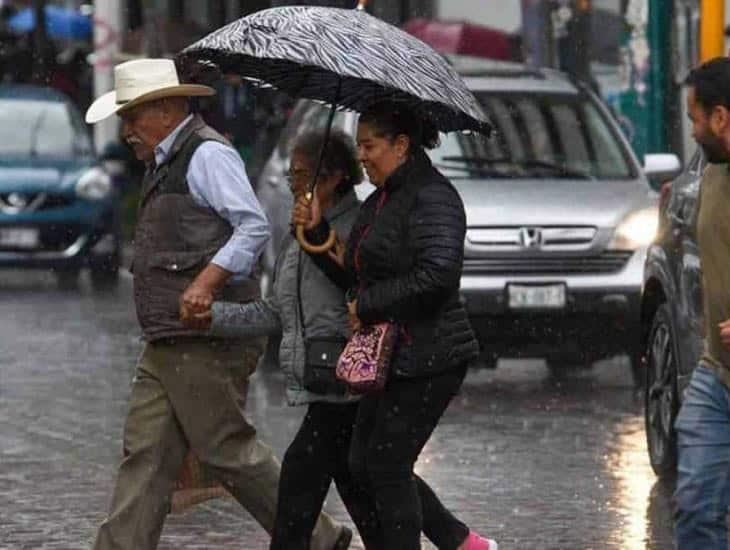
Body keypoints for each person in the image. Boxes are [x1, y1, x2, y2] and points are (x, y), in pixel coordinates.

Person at [85, 58, 349, 550]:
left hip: (205, 336)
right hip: (169, 336)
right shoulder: (166, 160)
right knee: (146, 453)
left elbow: (252, 226)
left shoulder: (207, 155)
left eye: (132, 116)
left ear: (165, 109)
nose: (126, 131)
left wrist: (206, 283)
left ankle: (317, 537)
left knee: (226, 449)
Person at [293, 101, 498, 550]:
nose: (361, 155)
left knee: (385, 463)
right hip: (394, 355)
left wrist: (368, 304)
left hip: (431, 355)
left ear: (401, 145)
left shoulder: (434, 197)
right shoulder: (382, 200)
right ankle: (459, 541)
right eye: (359, 145)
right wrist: (315, 235)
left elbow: (437, 275)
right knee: (364, 461)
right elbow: (357, 272)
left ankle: (449, 541)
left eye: (370, 146)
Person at [674, 56, 730, 550]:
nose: (692, 129)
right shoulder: (713, 171)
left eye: (695, 117)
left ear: (721, 118)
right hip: (719, 374)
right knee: (695, 508)